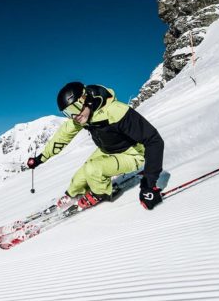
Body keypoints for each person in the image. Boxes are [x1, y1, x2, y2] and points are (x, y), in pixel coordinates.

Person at [27, 81, 164, 211]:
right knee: (79, 178)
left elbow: (154, 140)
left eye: (75, 108)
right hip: (107, 151)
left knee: (93, 169)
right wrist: (40, 159)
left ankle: (101, 194)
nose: (74, 115)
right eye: (68, 112)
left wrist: (149, 185)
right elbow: (62, 136)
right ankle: (73, 195)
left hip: (132, 153)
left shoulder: (115, 111)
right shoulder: (82, 115)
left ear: (86, 99)